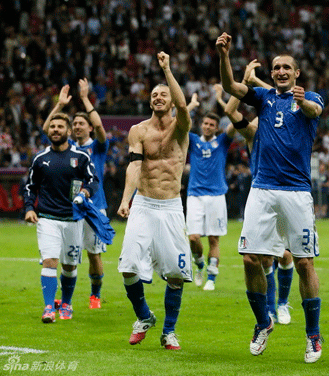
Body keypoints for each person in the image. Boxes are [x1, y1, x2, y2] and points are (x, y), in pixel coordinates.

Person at [217, 33, 323, 363]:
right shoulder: (264, 98)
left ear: (296, 73)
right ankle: (263, 323)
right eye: (276, 67)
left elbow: (315, 110)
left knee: (304, 262)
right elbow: (232, 88)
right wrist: (224, 56)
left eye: (286, 67)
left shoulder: (309, 97)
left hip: (296, 192)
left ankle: (313, 335)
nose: (280, 71)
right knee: (249, 257)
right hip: (262, 189)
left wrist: (302, 100)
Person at [117, 52, 192, 350]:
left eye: (164, 94)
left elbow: (184, 105)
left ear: (171, 100)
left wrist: (167, 70)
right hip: (145, 205)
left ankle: (169, 331)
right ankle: (144, 316)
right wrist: (127, 199)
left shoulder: (181, 125)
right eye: (154, 94)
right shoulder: (138, 131)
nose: (159, 97)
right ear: (149, 102)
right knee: (128, 268)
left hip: (172, 206)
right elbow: (135, 165)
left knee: (176, 274)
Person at [220, 60, 297, 326]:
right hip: (262, 192)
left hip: (288, 189)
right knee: (263, 258)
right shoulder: (252, 132)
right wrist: (244, 79)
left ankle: (284, 303)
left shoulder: (287, 121)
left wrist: (254, 82)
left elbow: (285, 98)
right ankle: (272, 310)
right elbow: (231, 110)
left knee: (285, 255)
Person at [24, 112, 99, 323]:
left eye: (60, 127)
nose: (55, 130)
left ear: (68, 131)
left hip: (73, 220)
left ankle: (66, 303)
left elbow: (93, 180)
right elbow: (30, 187)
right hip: (47, 218)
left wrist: (85, 193)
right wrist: (30, 208)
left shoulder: (81, 157)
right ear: (48, 131)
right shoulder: (40, 158)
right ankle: (48, 308)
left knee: (69, 266)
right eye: (52, 127)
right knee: (49, 261)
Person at [43, 79, 109, 309]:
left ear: (89, 127)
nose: (79, 126)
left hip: (93, 207)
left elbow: (101, 128)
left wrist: (84, 98)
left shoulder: (98, 146)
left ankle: (95, 294)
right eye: (76, 124)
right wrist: (59, 106)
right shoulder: (68, 147)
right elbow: (47, 129)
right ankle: (66, 297)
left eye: (83, 123)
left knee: (93, 254)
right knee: (65, 257)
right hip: (69, 208)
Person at [184, 92, 235, 291]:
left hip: (216, 195)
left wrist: (222, 101)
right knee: (193, 238)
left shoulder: (222, 141)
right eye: (205, 123)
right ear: (201, 125)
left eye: (211, 125)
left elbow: (234, 120)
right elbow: (174, 122)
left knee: (214, 238)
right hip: (195, 194)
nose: (207, 126)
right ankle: (198, 264)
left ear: (216, 127)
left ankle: (212, 278)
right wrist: (191, 105)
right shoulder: (193, 141)